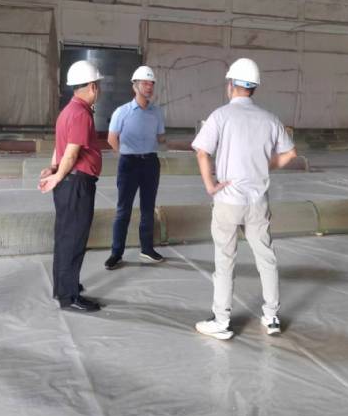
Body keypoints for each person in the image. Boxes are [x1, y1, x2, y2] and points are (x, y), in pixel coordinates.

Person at [191, 58, 297, 340]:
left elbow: (202, 152)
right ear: (254, 88)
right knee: (266, 258)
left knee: (225, 260)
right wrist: (263, 167)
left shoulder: (220, 116)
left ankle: (222, 321)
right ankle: (271, 317)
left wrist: (211, 185)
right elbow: (290, 154)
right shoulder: (269, 119)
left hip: (228, 200)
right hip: (257, 201)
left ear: (231, 84)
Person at [39, 60, 104, 313]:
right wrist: (56, 176)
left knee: (65, 236)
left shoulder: (68, 111)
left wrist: (54, 169)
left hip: (68, 182)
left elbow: (61, 149)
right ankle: (69, 296)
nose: (99, 89)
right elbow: (72, 152)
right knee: (74, 239)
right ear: (92, 86)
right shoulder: (81, 114)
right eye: (98, 85)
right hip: (77, 184)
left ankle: (64, 286)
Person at [104, 65, 166, 270]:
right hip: (129, 164)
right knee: (123, 209)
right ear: (135, 86)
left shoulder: (157, 112)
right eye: (145, 83)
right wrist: (126, 153)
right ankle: (116, 253)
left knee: (148, 208)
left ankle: (147, 249)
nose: (149, 87)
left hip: (150, 163)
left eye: (151, 84)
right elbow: (112, 139)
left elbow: (161, 137)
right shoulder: (122, 112)